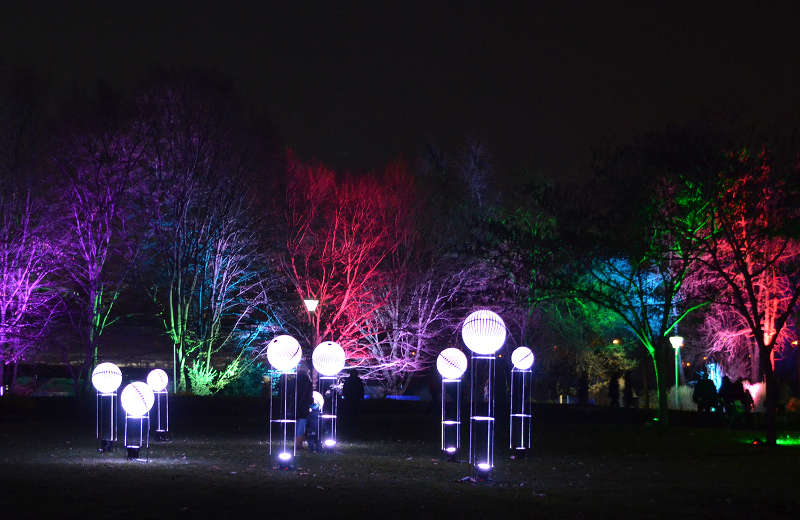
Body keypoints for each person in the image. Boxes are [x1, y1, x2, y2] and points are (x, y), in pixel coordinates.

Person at [295, 365, 313, 449]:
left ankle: (297, 442)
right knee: (302, 424)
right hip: (304, 406)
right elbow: (309, 395)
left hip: (295, 405)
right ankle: (298, 443)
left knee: (297, 424)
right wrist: (311, 402)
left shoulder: (295, 380)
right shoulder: (307, 381)